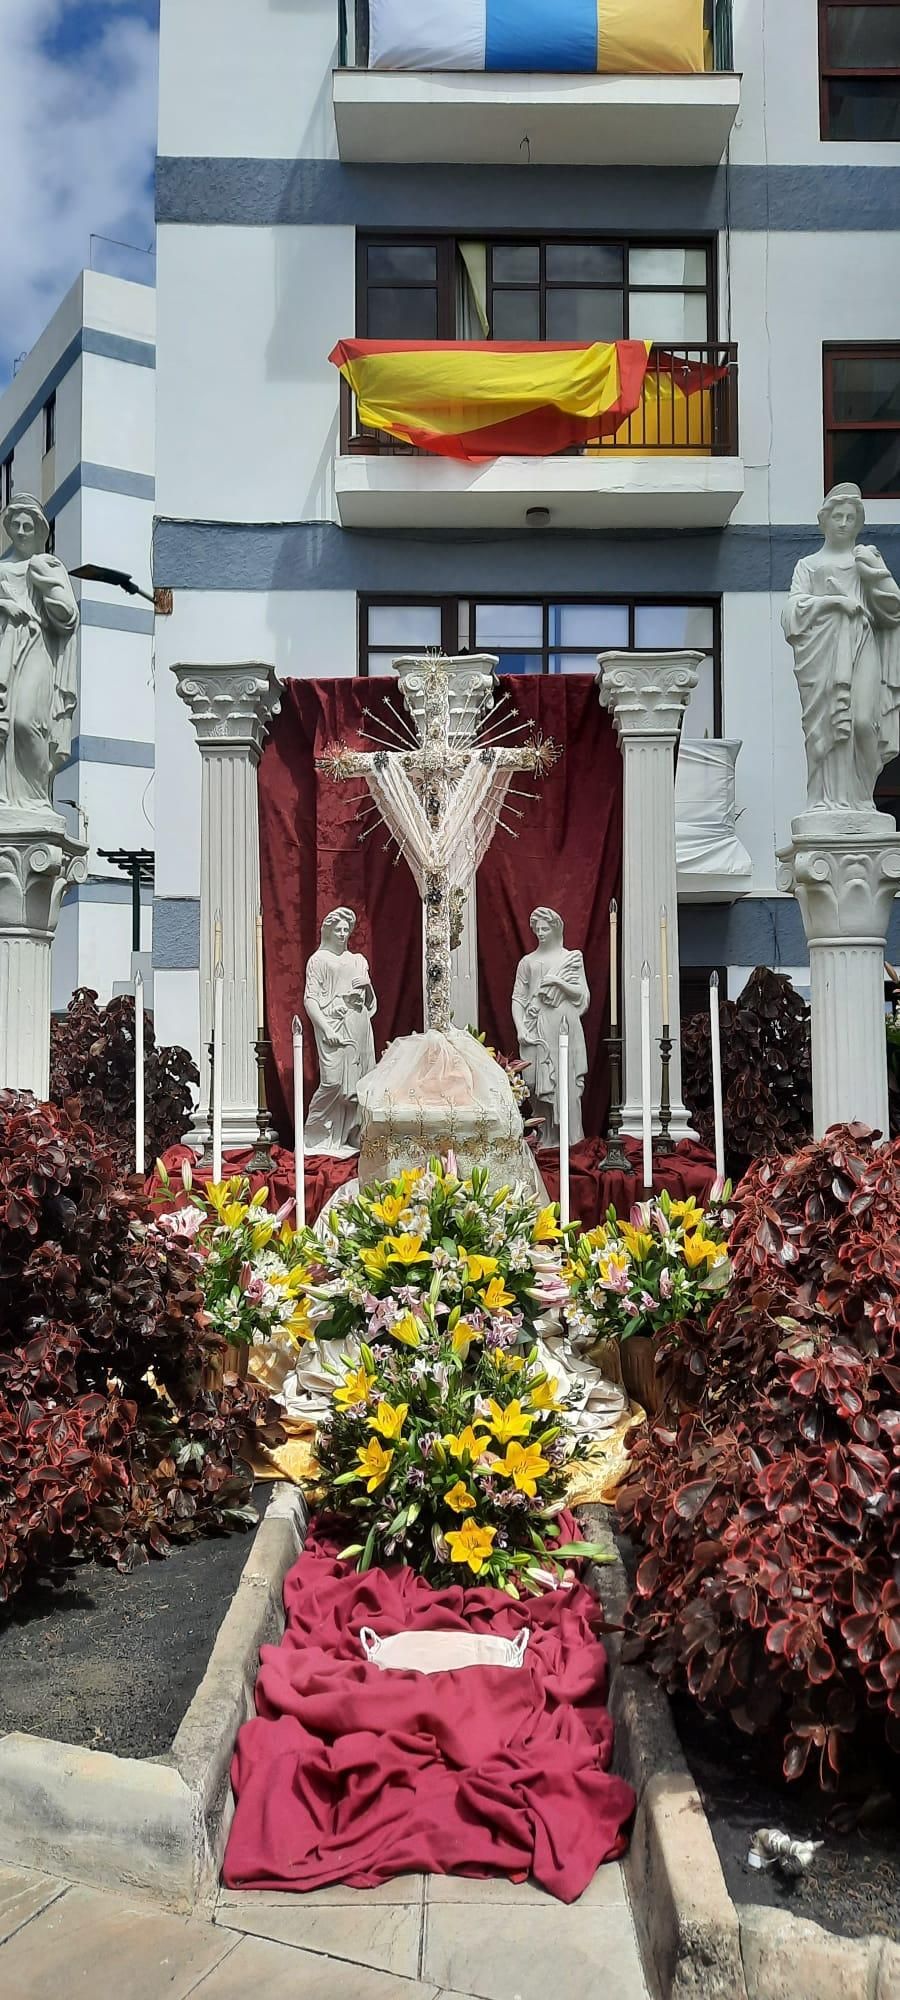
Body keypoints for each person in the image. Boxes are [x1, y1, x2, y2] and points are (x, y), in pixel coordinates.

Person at [782, 482, 900, 814]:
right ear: (824, 520)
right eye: (838, 516)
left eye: (850, 517)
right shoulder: (808, 565)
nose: (844, 523)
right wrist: (834, 602)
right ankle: (823, 799)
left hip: (862, 645)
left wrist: (874, 570)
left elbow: (893, 610)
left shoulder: (867, 557)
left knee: (863, 722)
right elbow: (791, 614)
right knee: (828, 725)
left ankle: (863, 796)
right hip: (823, 655)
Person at [0, 496, 79, 812]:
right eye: (15, 525)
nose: (20, 531)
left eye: (27, 525)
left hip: (37, 646)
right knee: (4, 729)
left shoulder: (48, 565)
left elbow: (68, 616)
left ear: (39, 530)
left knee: (25, 721)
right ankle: (8, 798)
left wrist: (42, 580)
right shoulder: (2, 570)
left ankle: (36, 796)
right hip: (6, 647)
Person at [511, 907, 590, 1149]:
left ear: (556, 928)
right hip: (536, 1029)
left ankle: (568, 1137)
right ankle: (545, 1135)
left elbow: (582, 997)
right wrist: (520, 1028)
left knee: (564, 1082)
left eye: (546, 928)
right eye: (537, 929)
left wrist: (558, 982)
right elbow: (518, 998)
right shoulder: (528, 962)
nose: (541, 933)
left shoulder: (571, 959)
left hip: (564, 1027)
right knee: (535, 1083)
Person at [303, 908, 377, 1155]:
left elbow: (370, 1004)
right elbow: (310, 1000)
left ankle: (352, 1135)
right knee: (333, 1082)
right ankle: (316, 1136)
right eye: (338, 929)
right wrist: (324, 1028)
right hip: (334, 1023)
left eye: (347, 929)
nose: (343, 934)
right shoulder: (318, 961)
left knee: (361, 1085)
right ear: (328, 930)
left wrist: (367, 987)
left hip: (358, 1023)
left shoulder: (358, 960)